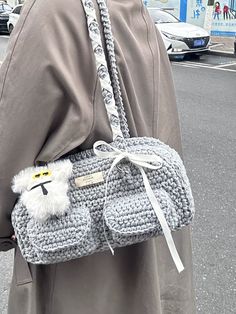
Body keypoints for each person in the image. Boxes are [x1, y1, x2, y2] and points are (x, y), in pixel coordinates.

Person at [0, 0, 195, 313]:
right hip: (150, 231)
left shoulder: (50, 13)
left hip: (74, 262)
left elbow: (10, 139)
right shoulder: (138, 11)